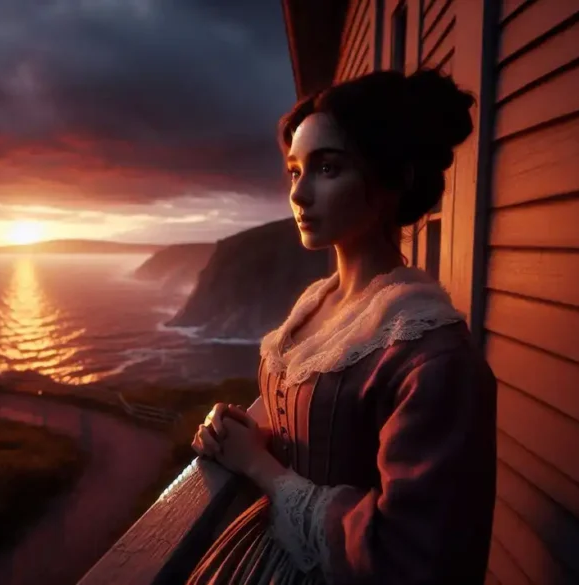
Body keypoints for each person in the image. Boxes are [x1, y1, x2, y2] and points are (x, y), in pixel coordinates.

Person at [187, 67, 497, 585]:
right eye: (294, 171)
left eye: (327, 169)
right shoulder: (316, 305)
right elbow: (316, 429)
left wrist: (261, 468)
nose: (300, 194)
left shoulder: (432, 358)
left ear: (392, 180)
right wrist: (249, 434)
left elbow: (412, 560)